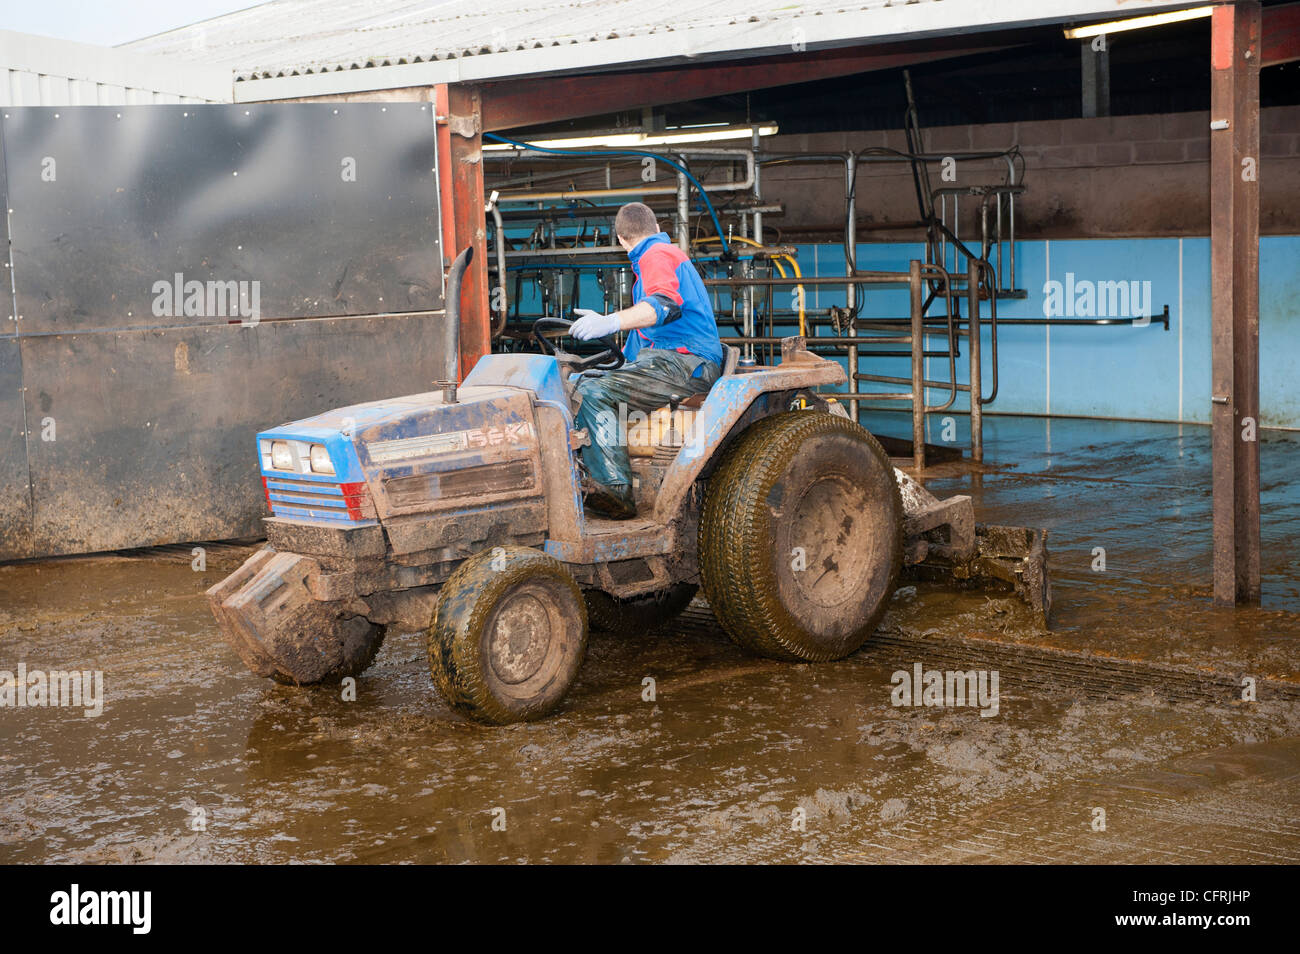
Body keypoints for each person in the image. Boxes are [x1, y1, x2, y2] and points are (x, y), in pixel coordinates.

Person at [568, 202, 724, 519]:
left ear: (622, 240)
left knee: (592, 394)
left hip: (686, 363)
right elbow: (642, 339)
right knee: (576, 384)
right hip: (669, 361)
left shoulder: (656, 256)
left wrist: (609, 321)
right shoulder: (657, 260)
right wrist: (611, 367)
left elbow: (663, 306)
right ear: (656, 227)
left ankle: (615, 492)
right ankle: (588, 475)